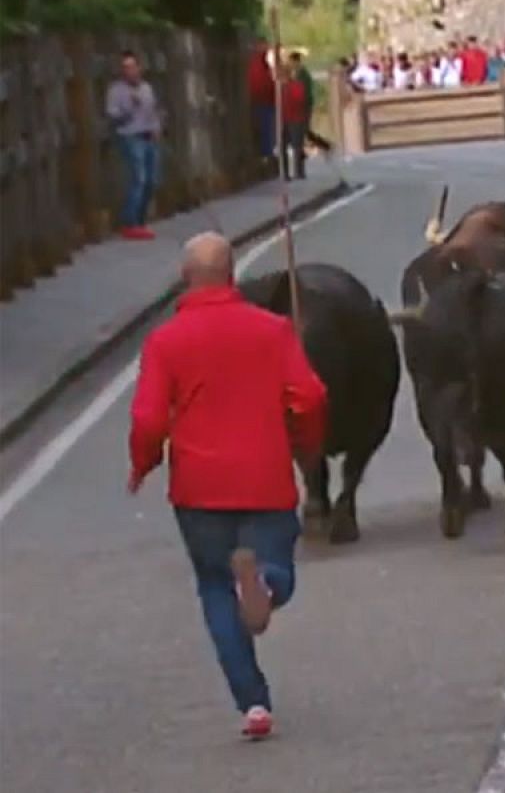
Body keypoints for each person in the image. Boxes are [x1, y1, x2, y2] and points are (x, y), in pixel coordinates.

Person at [127, 231, 327, 741]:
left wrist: (143, 463)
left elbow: (149, 419)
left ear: (185, 278)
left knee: (215, 586)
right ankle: (267, 584)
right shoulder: (273, 329)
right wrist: (306, 442)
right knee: (278, 564)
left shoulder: (165, 341)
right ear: (232, 273)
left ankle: (253, 704)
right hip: (265, 476)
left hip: (198, 489)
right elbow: (309, 393)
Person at [104, 51, 163, 241]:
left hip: (148, 137)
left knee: (152, 180)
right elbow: (113, 116)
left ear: (139, 68)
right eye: (125, 67)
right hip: (130, 136)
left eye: (131, 66)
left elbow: (152, 111)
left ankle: (140, 219)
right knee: (139, 178)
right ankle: (130, 223)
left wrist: (156, 128)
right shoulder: (116, 90)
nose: (128, 71)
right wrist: (130, 108)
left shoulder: (146, 88)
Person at [247, 41, 277, 167]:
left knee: (268, 129)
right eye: (264, 46)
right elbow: (259, 84)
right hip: (262, 102)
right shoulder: (258, 64)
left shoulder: (263, 63)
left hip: (266, 101)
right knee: (265, 129)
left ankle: (268, 153)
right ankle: (266, 154)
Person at [278, 61, 309, 180]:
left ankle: (299, 172)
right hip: (283, 119)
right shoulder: (277, 87)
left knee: (297, 146)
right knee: (283, 147)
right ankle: (285, 173)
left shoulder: (296, 86)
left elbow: (300, 101)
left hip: (295, 119)